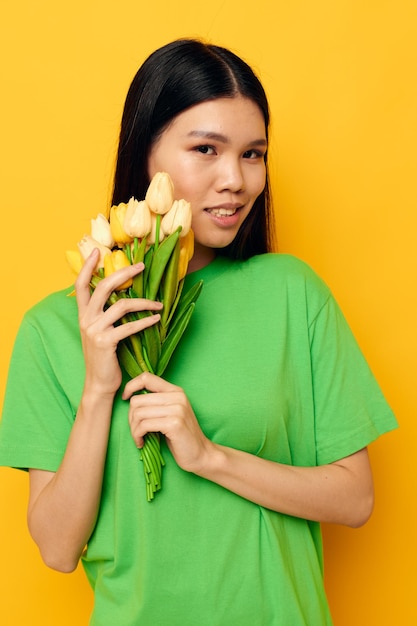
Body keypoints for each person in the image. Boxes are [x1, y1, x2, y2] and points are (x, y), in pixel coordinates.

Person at [0, 39, 397, 625]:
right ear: (145, 153)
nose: (235, 179)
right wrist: (97, 389)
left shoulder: (291, 292)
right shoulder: (54, 329)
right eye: (205, 149)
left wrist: (209, 456)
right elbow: (57, 550)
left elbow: (355, 498)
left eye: (253, 154)